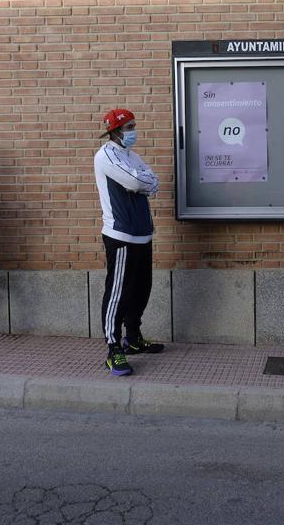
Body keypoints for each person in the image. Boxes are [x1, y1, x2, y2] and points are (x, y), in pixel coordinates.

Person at [94, 108, 163, 376]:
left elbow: (153, 182)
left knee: (141, 289)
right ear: (115, 131)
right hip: (120, 235)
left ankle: (132, 338)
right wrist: (143, 181)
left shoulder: (131, 155)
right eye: (129, 127)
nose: (133, 131)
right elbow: (136, 182)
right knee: (117, 294)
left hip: (143, 232)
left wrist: (145, 181)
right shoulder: (105, 155)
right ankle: (114, 349)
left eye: (134, 125)